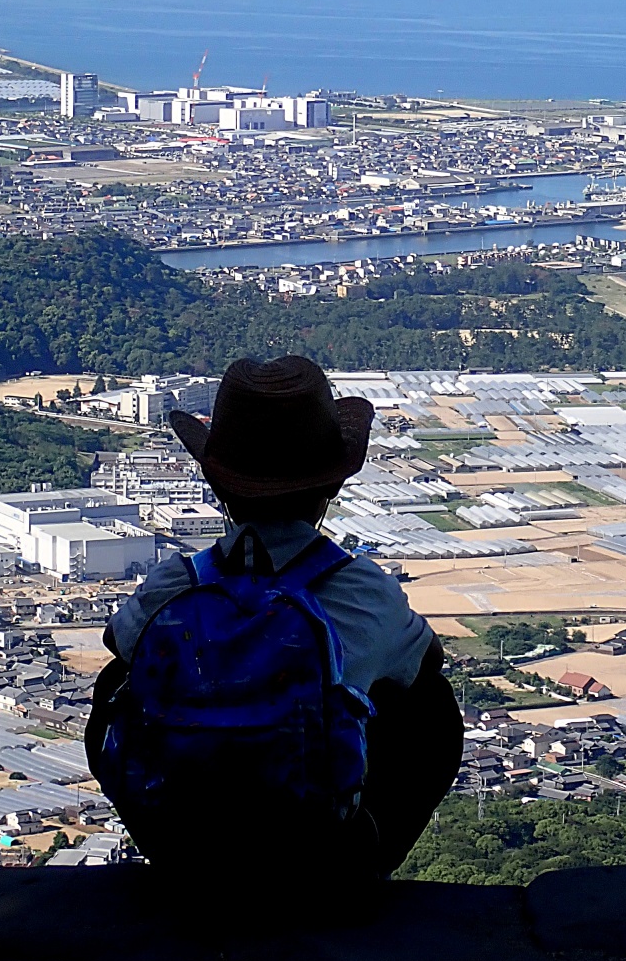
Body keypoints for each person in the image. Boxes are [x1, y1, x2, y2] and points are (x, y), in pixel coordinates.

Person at [86, 355, 463, 881]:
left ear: (218, 488)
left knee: (117, 683)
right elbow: (428, 663)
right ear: (332, 487)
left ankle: (174, 858)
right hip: (313, 853)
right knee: (430, 703)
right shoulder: (364, 591)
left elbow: (117, 644)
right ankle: (364, 859)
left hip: (185, 840)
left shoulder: (177, 583)